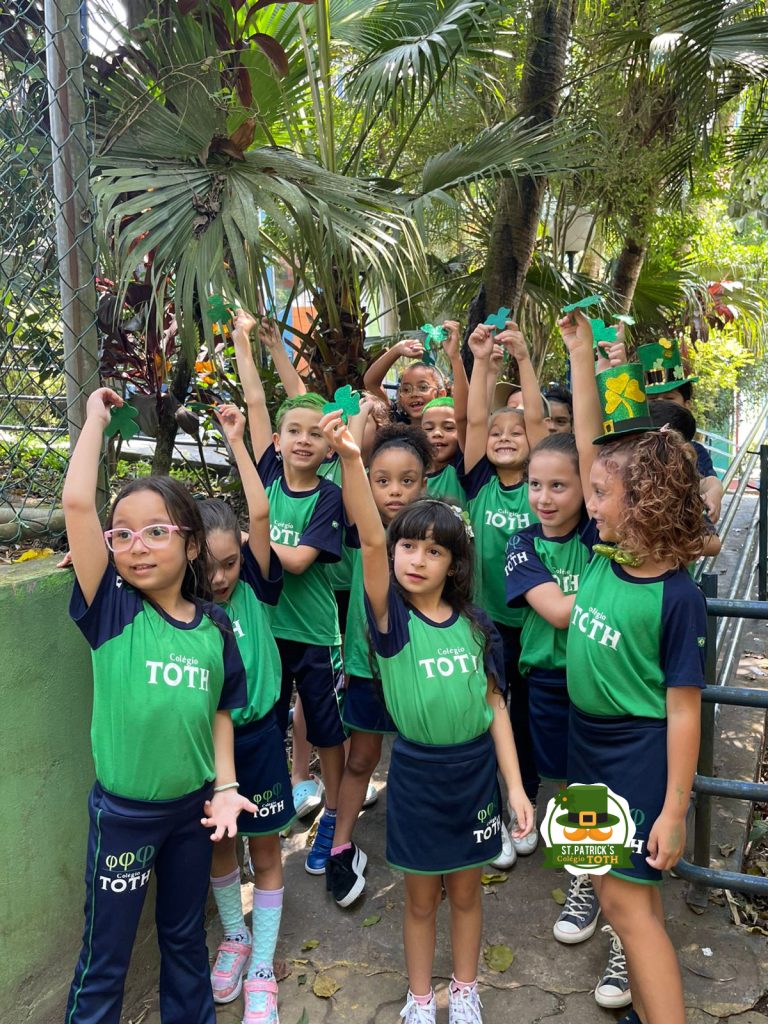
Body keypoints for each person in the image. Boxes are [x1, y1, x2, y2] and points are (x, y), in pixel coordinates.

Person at [321, 409, 533, 1024]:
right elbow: (369, 539)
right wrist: (353, 459)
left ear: (454, 564)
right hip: (416, 775)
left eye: (433, 550)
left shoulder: (477, 627)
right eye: (407, 546)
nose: (416, 559)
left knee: (466, 894)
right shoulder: (391, 621)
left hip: (473, 775)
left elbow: (495, 706)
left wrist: (516, 789)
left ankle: (464, 991)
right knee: (420, 900)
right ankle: (419, 999)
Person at [62, 387, 254, 1024]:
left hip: (191, 813)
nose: (137, 546)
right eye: (123, 535)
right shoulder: (112, 609)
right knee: (106, 955)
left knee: (183, 940)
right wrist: (95, 421)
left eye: (155, 532)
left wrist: (226, 788)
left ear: (192, 545)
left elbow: (222, 711)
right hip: (124, 817)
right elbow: (77, 503)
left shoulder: (215, 626)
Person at [562, 311, 709, 1024]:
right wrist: (583, 357)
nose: (586, 504)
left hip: (637, 754)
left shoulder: (676, 598)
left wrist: (675, 810)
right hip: (586, 744)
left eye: (599, 496)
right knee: (613, 891)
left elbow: (685, 711)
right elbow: (597, 444)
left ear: (643, 504)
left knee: (631, 910)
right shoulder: (604, 554)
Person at [230, 309, 347, 876]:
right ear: (277, 442)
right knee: (268, 725)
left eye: (315, 433)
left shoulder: (328, 497)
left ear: (330, 447)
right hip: (266, 633)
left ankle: (334, 817)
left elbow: (298, 561)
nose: (303, 440)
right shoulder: (267, 476)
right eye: (293, 431)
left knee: (325, 729)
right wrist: (242, 340)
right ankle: (270, 818)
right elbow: (256, 402)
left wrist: (243, 541)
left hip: (314, 635)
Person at [199, 404, 294, 1024]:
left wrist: (237, 441)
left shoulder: (255, 582)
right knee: (220, 846)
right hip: (207, 745)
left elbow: (259, 514)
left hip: (258, 737)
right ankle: (234, 935)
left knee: (266, 849)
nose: (219, 577)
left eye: (229, 562)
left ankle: (262, 960)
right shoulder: (181, 603)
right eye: (206, 567)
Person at [326, 424, 433, 908]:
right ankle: (340, 846)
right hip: (367, 667)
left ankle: (436, 844)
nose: (394, 491)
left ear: (424, 483)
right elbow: (368, 530)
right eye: (382, 480)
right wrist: (350, 455)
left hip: (418, 668)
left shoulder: (437, 532)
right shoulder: (360, 530)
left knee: (423, 758)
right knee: (361, 759)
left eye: (407, 481)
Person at [462, 319, 549, 856]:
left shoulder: (541, 488)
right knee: (484, 715)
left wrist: (523, 359)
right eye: (497, 435)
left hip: (534, 625)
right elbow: (476, 417)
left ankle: (525, 806)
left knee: (524, 719)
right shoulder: (478, 483)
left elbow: (536, 420)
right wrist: (480, 362)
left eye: (515, 434)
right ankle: (490, 811)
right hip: (484, 622)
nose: (504, 438)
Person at [637, 338, 724, 523]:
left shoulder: (694, 451)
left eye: (669, 398)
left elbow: (707, 481)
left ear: (686, 405)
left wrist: (715, 491)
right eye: (652, 400)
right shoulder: (631, 447)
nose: (660, 404)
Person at [363, 321, 465, 425]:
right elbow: (371, 383)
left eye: (423, 387)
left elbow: (464, 410)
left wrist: (455, 356)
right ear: (400, 398)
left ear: (441, 394)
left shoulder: (454, 422)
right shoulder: (397, 421)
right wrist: (397, 349)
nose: (414, 394)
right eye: (406, 390)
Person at [422, 397, 467, 504]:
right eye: (429, 429)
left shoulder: (464, 467)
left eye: (448, 428)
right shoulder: (414, 470)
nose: (437, 433)